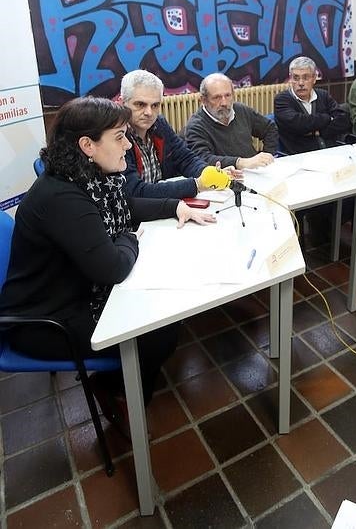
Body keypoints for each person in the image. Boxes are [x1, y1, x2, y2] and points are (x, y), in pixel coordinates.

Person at [0, 97, 215, 438]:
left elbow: (126, 205)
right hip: (44, 321)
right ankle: (115, 390)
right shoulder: (61, 196)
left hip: (73, 289)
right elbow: (113, 268)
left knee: (162, 315)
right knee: (161, 331)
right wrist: (130, 238)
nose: (128, 146)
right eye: (119, 137)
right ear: (87, 145)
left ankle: (121, 384)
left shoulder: (88, 178)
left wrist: (175, 206)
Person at [120, 69, 211, 199]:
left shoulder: (159, 123)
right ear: (122, 103)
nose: (149, 112)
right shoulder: (117, 136)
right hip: (138, 214)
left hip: (162, 205)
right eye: (140, 104)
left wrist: (208, 172)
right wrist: (196, 185)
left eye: (155, 105)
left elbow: (185, 157)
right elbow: (135, 191)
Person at [184, 73, 279, 169]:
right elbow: (203, 158)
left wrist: (267, 155)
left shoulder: (240, 110)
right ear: (203, 100)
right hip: (225, 178)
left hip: (255, 171)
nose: (224, 103)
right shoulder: (196, 126)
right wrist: (239, 163)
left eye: (228, 95)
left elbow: (269, 128)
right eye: (217, 97)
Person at [274, 56, 351, 154]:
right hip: (299, 156)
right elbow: (298, 124)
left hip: (331, 152)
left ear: (314, 78)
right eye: (296, 78)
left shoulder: (323, 95)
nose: (301, 83)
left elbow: (343, 121)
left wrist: (318, 132)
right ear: (290, 78)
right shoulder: (282, 100)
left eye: (306, 78)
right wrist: (327, 118)